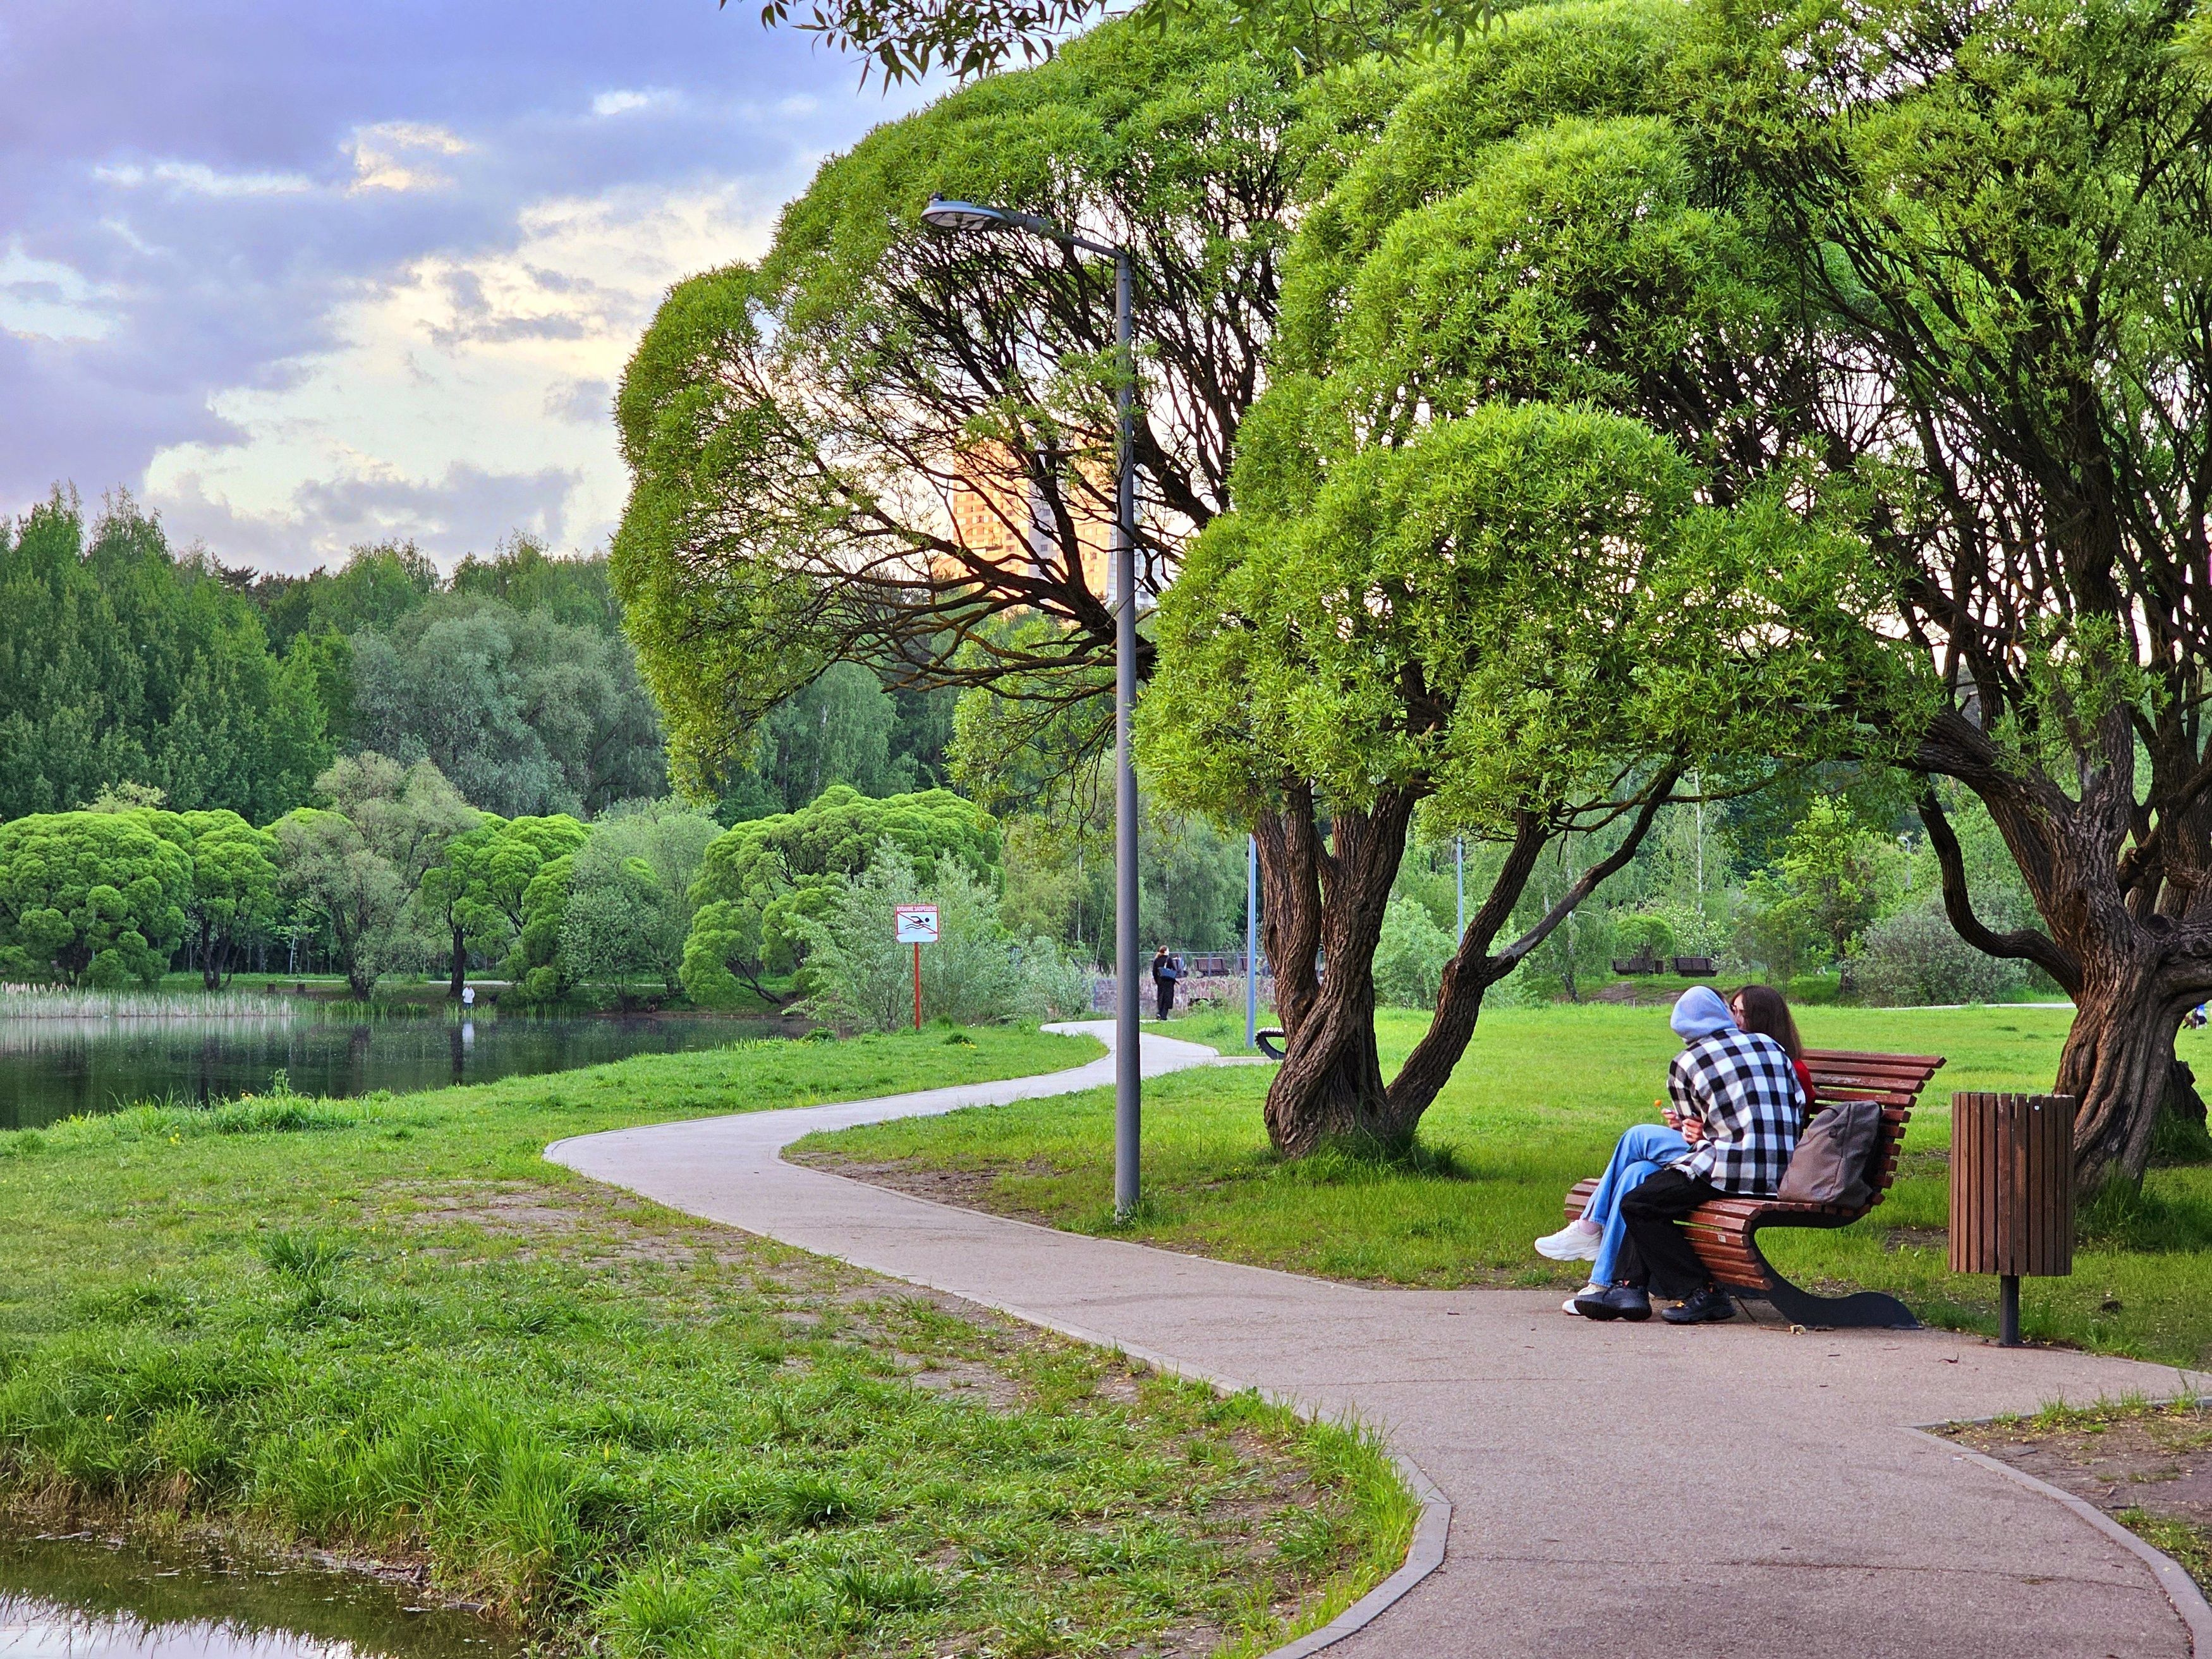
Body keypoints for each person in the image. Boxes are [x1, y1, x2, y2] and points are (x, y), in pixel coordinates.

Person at [1538, 983, 1813, 1316]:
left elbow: (1693, 1132)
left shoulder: (1686, 1061)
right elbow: (1798, 1104)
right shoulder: (1769, 1044)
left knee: (1639, 1203)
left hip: (1730, 1167)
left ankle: (1701, 1292)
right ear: (1723, 1013)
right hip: (1779, 1167)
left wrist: (1693, 1127)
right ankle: (1627, 1288)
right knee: (1639, 1175)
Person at [1152, 945, 1182, 1019]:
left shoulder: (1156, 960)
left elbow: (1154, 972)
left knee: (1160, 997)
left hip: (1160, 982)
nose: (1169, 951)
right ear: (1165, 951)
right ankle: (1164, 1016)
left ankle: (1159, 1012)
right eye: (1168, 950)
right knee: (1167, 998)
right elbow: (1175, 970)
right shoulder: (1169, 959)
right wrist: (1173, 979)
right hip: (1169, 982)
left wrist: (1157, 981)